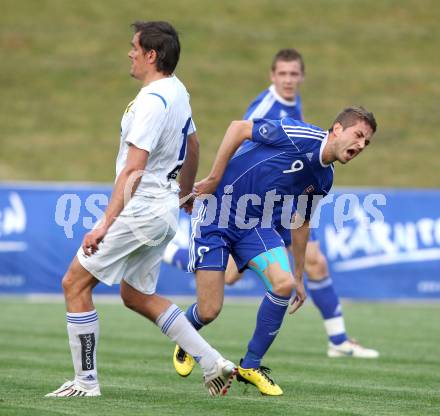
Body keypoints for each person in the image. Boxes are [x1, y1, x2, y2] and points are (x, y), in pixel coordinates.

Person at [46, 21, 236, 398]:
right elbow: (194, 144)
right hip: (162, 209)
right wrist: (183, 196)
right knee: (135, 296)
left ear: (152, 55)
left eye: (134, 47)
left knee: (74, 283)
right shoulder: (177, 91)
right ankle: (212, 360)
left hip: (141, 207)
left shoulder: (152, 101)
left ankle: (86, 383)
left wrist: (104, 224)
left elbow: (133, 169)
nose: (130, 53)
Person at [166, 49, 379, 368]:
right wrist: (217, 180)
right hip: (237, 204)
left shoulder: (309, 137)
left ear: (302, 77)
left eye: (294, 74)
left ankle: (269, 360)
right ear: (272, 76)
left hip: (268, 210)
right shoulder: (273, 110)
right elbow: (243, 134)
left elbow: (304, 217)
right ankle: (178, 258)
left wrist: (297, 273)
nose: (289, 80)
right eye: (283, 74)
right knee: (219, 294)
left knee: (302, 269)